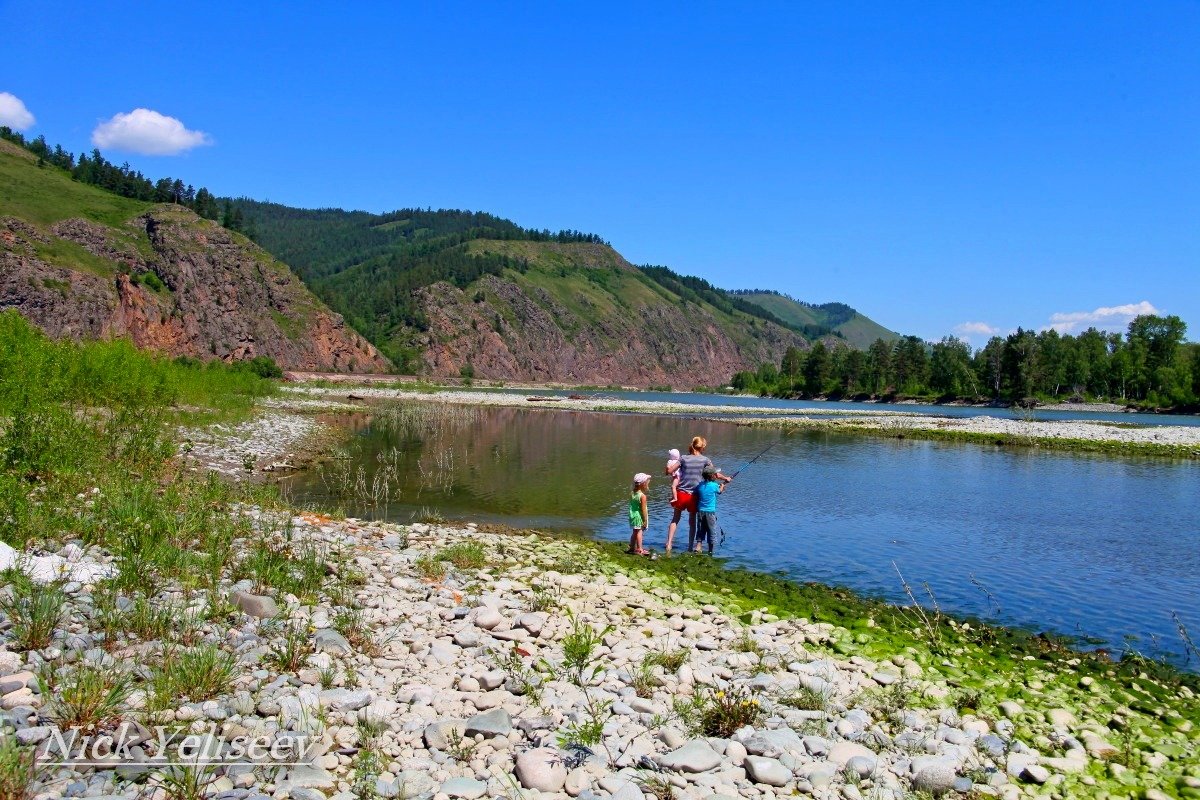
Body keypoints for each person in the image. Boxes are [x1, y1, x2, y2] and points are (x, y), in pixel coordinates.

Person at [666, 436, 732, 552]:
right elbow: (715, 474)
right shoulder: (705, 460)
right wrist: (725, 478)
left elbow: (669, 471)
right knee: (692, 523)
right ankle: (691, 547)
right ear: (702, 447)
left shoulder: (683, 458)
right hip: (694, 495)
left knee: (675, 519)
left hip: (681, 493)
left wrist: (669, 467)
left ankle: (669, 544)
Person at [692, 465, 729, 553]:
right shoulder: (714, 485)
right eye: (715, 474)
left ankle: (698, 547)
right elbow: (719, 491)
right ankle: (710, 550)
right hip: (710, 513)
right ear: (712, 476)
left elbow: (695, 493)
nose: (716, 475)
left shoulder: (700, 485)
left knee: (700, 529)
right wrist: (723, 485)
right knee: (711, 531)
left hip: (700, 511)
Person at [628, 472, 651, 555]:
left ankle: (631, 547)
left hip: (632, 515)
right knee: (639, 532)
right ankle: (640, 549)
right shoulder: (642, 496)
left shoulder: (632, 493)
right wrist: (645, 520)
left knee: (634, 531)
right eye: (647, 482)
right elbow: (643, 509)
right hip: (638, 516)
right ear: (643, 484)